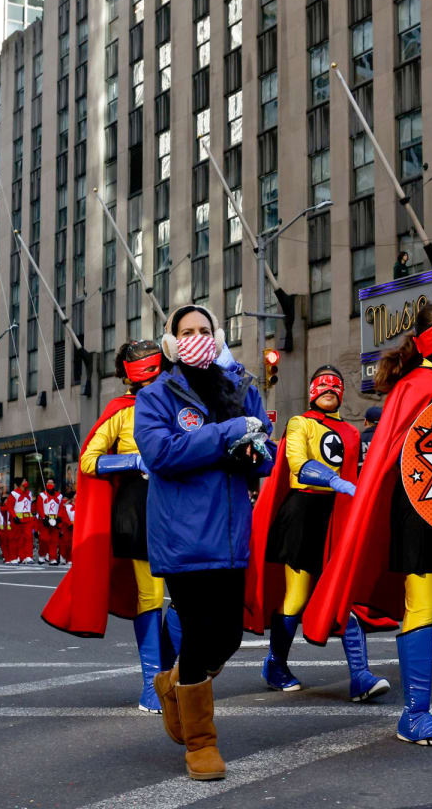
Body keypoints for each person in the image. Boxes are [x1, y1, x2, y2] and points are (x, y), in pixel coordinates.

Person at [303, 305, 432, 746]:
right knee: (421, 605)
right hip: (419, 507)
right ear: (424, 337)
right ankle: (414, 714)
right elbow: (393, 453)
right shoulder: (410, 387)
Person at [138, 304, 272, 781]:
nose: (196, 337)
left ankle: (173, 685)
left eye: (205, 330)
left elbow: (265, 454)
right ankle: (201, 743)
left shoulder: (240, 387)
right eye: (186, 331)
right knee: (198, 637)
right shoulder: (156, 395)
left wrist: (255, 445)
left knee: (229, 638)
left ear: (218, 336)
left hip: (233, 534)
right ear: (171, 341)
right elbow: (161, 452)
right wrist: (226, 434)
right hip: (184, 537)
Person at [44, 339, 184, 713]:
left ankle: (168, 672)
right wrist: (133, 461)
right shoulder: (122, 411)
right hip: (138, 508)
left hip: (182, 505)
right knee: (151, 599)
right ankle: (153, 684)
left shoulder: (183, 402)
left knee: (191, 594)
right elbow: (89, 459)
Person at [246, 366, 390, 701]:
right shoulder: (300, 423)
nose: (329, 388)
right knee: (295, 598)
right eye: (322, 383)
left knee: (342, 593)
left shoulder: (351, 432)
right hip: (302, 514)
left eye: (335, 385)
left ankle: (361, 677)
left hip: (336, 516)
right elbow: (298, 464)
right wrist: (337, 481)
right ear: (312, 390)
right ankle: (275, 664)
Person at [36, 477, 66, 565]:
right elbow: (39, 507)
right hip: (45, 520)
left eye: (52, 483)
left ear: (54, 484)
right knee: (44, 539)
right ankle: (42, 555)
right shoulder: (42, 495)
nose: (50, 484)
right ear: (46, 484)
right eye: (48, 482)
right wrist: (43, 517)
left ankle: (53, 558)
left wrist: (59, 518)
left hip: (55, 520)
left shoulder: (59, 496)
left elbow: (61, 508)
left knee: (54, 540)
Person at [11, 478, 37, 564]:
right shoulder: (14, 493)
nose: (26, 482)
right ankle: (16, 556)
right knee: (17, 538)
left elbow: (31, 505)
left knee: (29, 537)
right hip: (18, 519)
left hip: (28, 519)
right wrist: (14, 516)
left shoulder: (29, 493)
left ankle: (28, 556)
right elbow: (9, 506)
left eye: (26, 481)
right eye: (24, 481)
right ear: (20, 483)